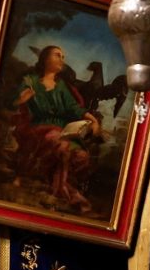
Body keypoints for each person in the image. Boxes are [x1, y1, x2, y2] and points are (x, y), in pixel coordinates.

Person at [10, 43, 103, 210]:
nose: (62, 59)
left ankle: (58, 184)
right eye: (57, 55)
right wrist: (21, 100)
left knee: (82, 156)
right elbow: (12, 102)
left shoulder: (61, 86)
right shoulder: (30, 81)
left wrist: (94, 121)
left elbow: (74, 108)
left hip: (62, 131)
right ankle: (65, 193)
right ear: (45, 58)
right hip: (39, 127)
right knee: (62, 145)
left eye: (63, 57)